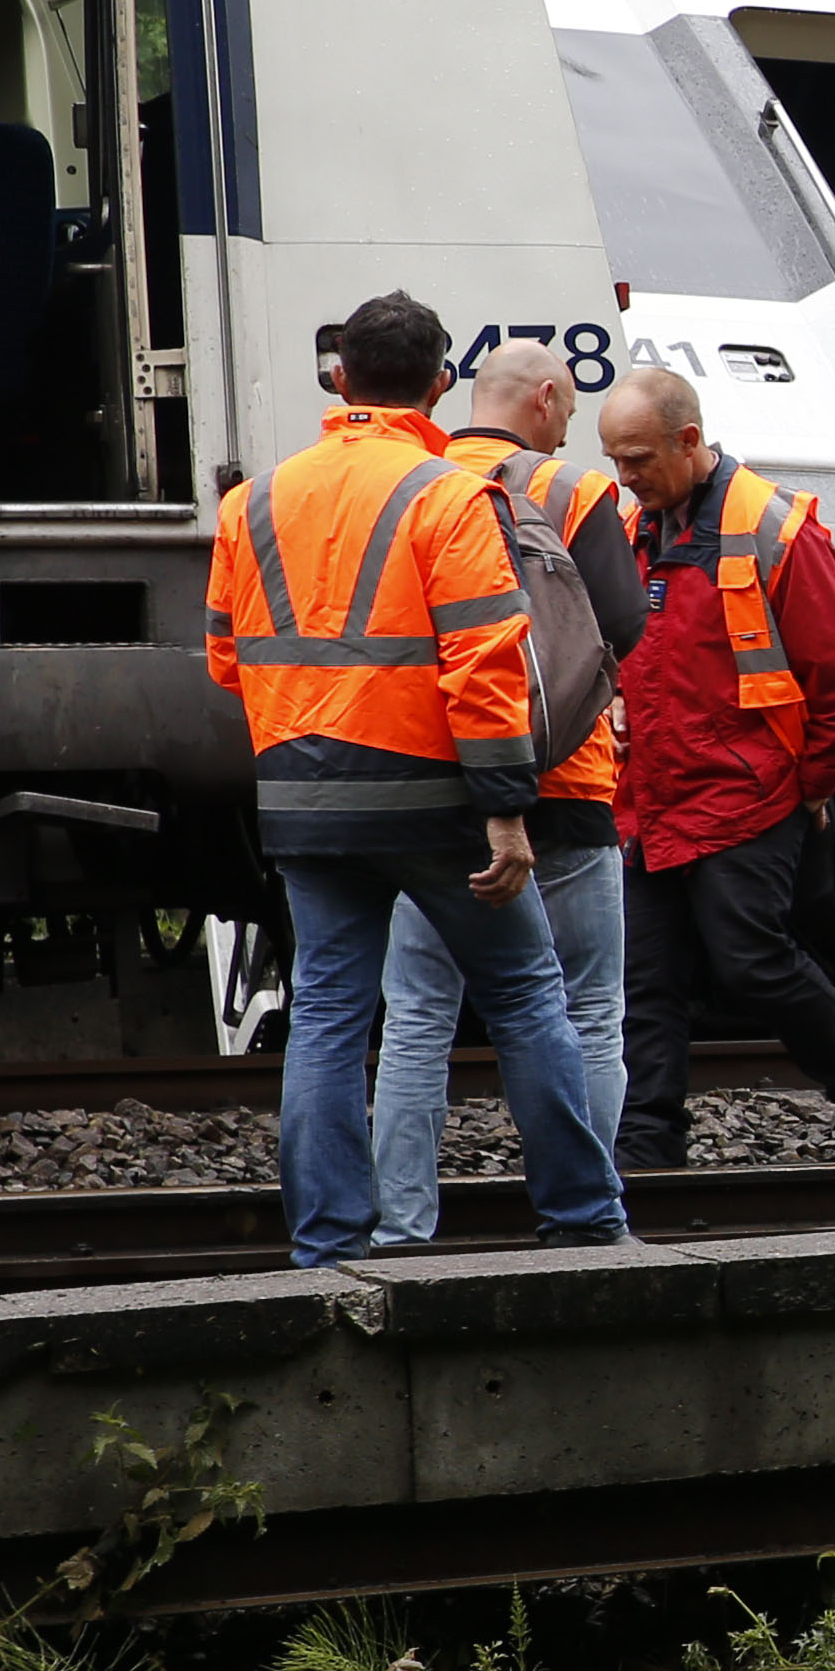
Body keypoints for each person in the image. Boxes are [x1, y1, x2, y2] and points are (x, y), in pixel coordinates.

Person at [199, 291, 625, 1261]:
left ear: (338, 377)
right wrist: (507, 811)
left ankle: (328, 1247)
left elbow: (227, 661)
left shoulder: (251, 502)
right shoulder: (449, 497)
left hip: (303, 795)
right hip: (432, 800)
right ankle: (585, 1222)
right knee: (527, 997)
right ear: (440, 384)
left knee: (328, 1014)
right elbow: (484, 662)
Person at [594, 360, 835, 1168]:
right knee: (644, 976)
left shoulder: (773, 529)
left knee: (751, 963)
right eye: (616, 460)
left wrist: (809, 785)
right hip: (652, 797)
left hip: (748, 794)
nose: (625, 477)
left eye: (638, 459)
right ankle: (647, 1142)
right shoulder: (632, 530)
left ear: (689, 441)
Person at [363, 339, 649, 1247]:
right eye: (570, 410)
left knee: (416, 1019)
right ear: (548, 398)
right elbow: (624, 624)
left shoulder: (414, 483)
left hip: (439, 789)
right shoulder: (574, 491)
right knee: (589, 1011)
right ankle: (584, 1219)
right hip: (567, 784)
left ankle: (403, 1229)